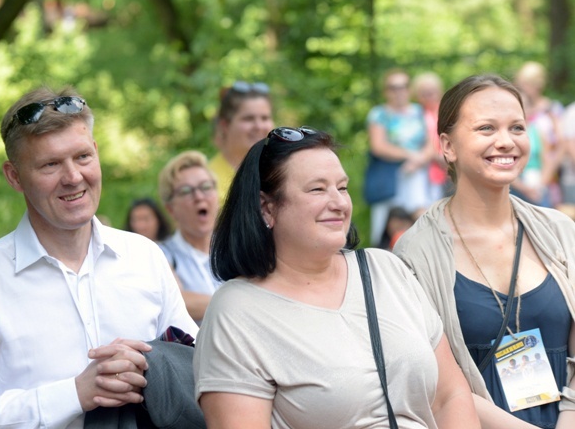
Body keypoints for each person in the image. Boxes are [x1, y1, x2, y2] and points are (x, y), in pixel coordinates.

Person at [0, 86, 199, 428]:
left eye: (82, 157)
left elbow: (197, 364)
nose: (73, 177)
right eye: (50, 164)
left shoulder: (144, 257)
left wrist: (154, 366)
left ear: (97, 153)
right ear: (14, 176)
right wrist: (73, 394)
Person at [194, 126, 480, 428]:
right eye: (317, 189)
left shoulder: (387, 270)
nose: (339, 203)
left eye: (342, 188)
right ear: (267, 207)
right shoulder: (236, 312)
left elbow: (450, 396)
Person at [394, 74, 575, 428]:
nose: (505, 141)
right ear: (448, 146)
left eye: (517, 128)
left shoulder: (561, 231)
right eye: (486, 128)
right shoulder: (415, 254)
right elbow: (430, 383)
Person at [366, 68, 434, 246]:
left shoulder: (419, 112)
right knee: (384, 225)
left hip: (418, 175)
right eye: (393, 87)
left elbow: (431, 142)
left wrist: (419, 160)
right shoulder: (379, 114)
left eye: (403, 86)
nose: (399, 91)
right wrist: (410, 155)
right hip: (389, 177)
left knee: (422, 219)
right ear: (386, 91)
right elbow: (378, 146)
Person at [157, 150, 221, 324]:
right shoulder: (161, 254)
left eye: (206, 187)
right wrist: (239, 304)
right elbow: (175, 300)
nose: (199, 197)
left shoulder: (237, 248)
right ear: (171, 209)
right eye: (186, 191)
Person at [209, 81, 274, 202]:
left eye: (265, 118)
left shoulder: (278, 172)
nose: (259, 126)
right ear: (225, 125)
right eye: (248, 118)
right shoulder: (208, 183)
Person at [514, 61, 564, 206]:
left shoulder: (551, 109)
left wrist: (544, 179)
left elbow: (560, 144)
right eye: (522, 83)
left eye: (529, 84)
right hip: (520, 177)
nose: (525, 88)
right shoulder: (517, 104)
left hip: (544, 172)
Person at [412, 72, 450, 201]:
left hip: (449, 166)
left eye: (432, 92)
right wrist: (436, 156)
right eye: (424, 93)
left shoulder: (448, 111)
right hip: (425, 169)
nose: (429, 97)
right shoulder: (416, 114)